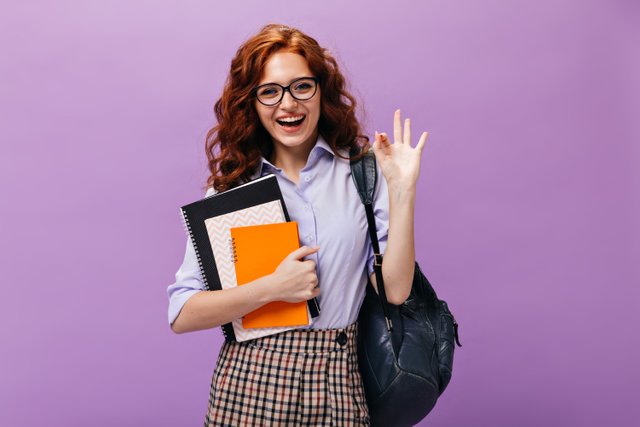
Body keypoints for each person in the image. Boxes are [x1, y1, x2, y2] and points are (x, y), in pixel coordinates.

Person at [167, 23, 428, 426]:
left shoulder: (362, 176)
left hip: (339, 381)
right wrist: (272, 288)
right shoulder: (231, 192)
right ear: (250, 103)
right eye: (270, 91)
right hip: (251, 384)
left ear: (321, 90)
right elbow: (182, 313)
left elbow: (394, 291)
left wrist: (403, 192)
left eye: (302, 86)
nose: (288, 104)